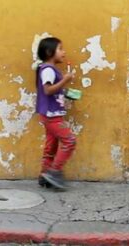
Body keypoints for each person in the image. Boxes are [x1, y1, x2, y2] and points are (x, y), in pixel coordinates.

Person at [34, 36, 77, 190]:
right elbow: (47, 90)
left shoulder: (49, 70)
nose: (63, 52)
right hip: (51, 115)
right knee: (69, 141)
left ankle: (44, 174)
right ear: (49, 51)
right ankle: (54, 172)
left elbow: (53, 90)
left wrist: (65, 91)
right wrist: (65, 80)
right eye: (60, 49)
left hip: (50, 114)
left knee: (51, 145)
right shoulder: (48, 70)